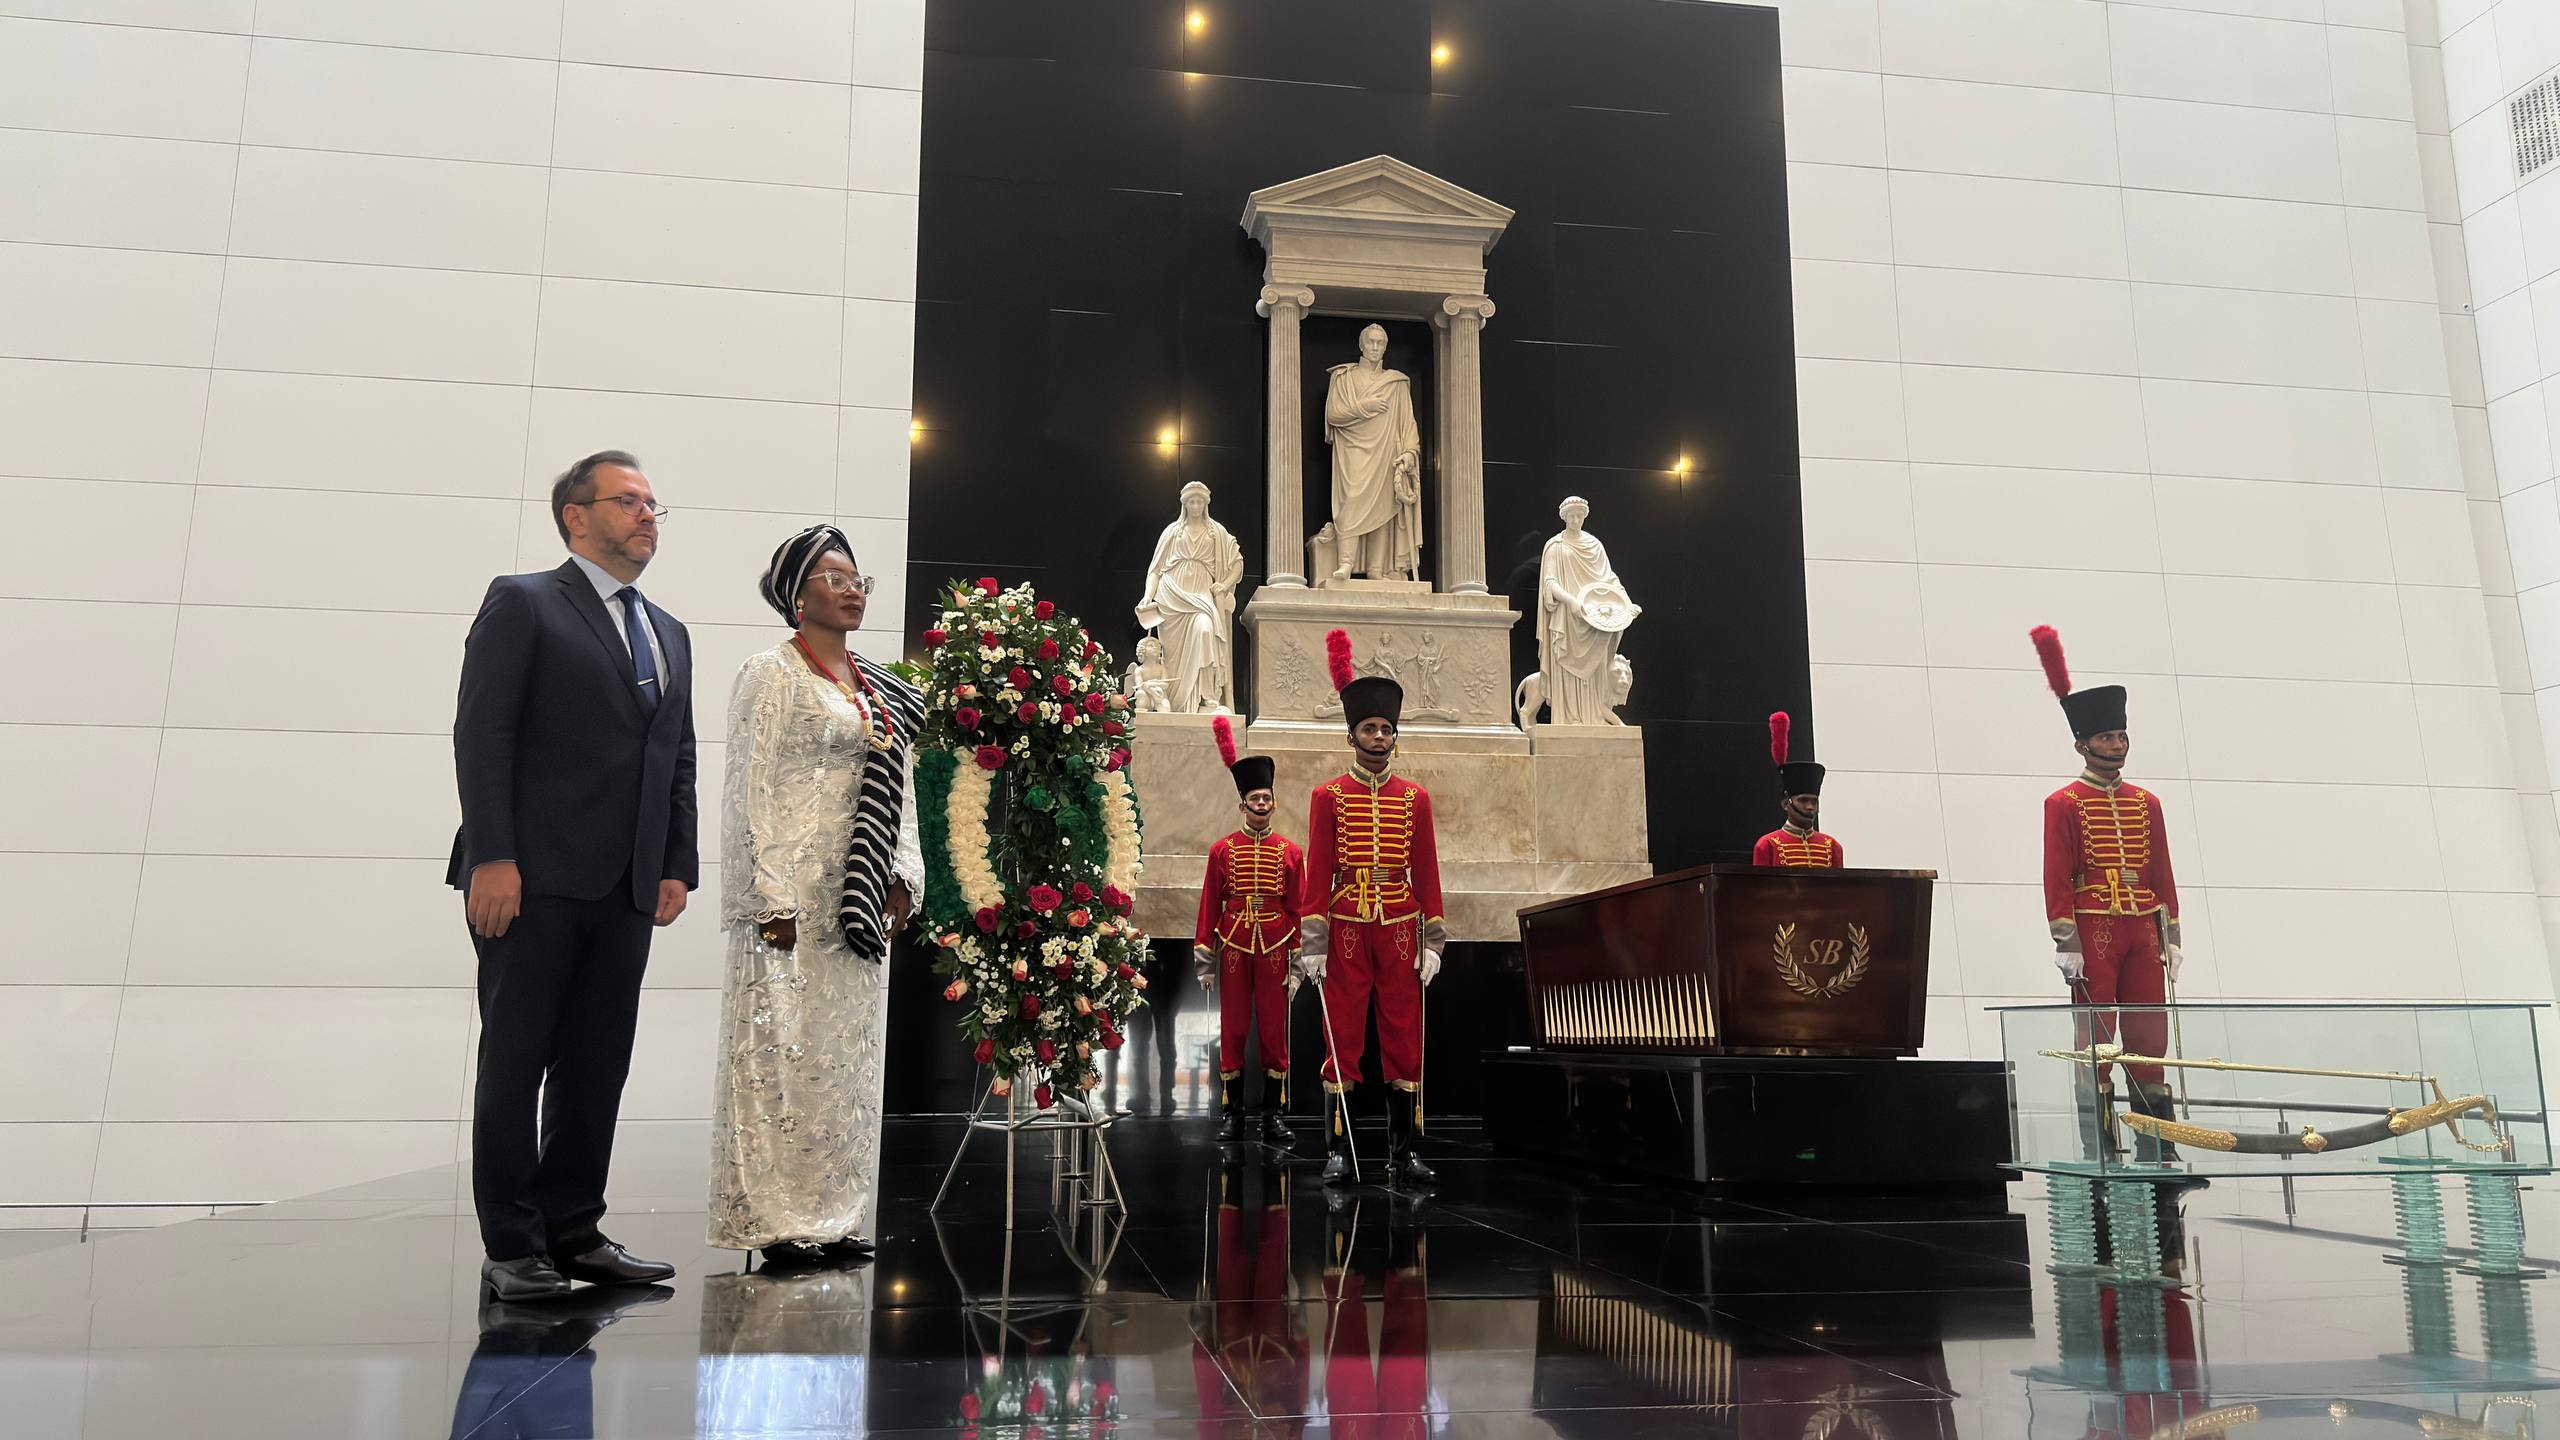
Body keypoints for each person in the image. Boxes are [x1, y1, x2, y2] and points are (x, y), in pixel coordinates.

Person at [451, 449, 691, 1303]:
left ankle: (574, 1232)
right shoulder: (523, 601)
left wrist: (675, 863)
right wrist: (493, 856)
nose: (647, 515)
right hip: (530, 878)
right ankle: (513, 1247)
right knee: (517, 1063)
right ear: (575, 517)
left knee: (596, 1066)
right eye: (628, 502)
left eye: (654, 504)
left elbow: (676, 755)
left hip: (627, 886)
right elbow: (484, 734)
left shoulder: (669, 631)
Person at [709, 525, 927, 1270]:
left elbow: (901, 789)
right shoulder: (770, 674)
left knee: (844, 1061)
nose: (853, 589)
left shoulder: (878, 687)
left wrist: (902, 872)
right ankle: (776, 1220)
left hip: (856, 896)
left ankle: (833, 1217)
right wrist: (766, 895)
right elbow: (749, 786)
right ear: (797, 596)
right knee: (779, 1054)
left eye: (858, 578)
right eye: (835, 578)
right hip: (791, 897)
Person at [1297, 630, 1444, 1187]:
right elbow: (1318, 871)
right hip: (1345, 929)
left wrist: (1433, 940)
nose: (1378, 736)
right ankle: (1340, 1149)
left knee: (1404, 1037)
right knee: (1342, 1037)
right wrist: (1313, 943)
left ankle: (1404, 1152)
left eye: (1385, 728)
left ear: (1394, 736)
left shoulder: (1415, 798)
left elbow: (1426, 871)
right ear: (1352, 735)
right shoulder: (1328, 797)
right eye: (1369, 728)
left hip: (1401, 927)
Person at [2031, 625, 2184, 1162]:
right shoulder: (2063, 804)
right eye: (2106, 738)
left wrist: (2172, 934)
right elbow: (2056, 876)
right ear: (2083, 744)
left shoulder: (2148, 803)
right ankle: (2099, 1149)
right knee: (2095, 1041)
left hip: (2143, 929)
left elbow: (2162, 872)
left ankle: (2157, 1147)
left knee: (2150, 1040)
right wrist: (2064, 940)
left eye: (2121, 736)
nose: (2117, 745)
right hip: (2092, 928)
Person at [1195, 714, 1306, 1146]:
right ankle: (1233, 1113)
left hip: (1276, 945)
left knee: (1275, 1033)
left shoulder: (1291, 852)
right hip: (1235, 944)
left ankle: (1273, 1115)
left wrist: (1297, 963)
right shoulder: (1221, 850)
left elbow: (1297, 907)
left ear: (1273, 803)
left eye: (1266, 798)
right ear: (1242, 805)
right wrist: (1205, 961)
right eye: (1254, 798)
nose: (1261, 804)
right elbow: (1210, 904)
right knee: (1235, 1028)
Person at [1323, 324, 1424, 584]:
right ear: (1361, 345)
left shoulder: (1397, 383)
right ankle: (1345, 563)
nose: (1375, 347)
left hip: (1386, 452)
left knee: (1384, 507)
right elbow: (1333, 414)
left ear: (1386, 347)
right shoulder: (1344, 377)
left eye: (1380, 343)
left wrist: (1410, 452)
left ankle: (1376, 569)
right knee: (1351, 501)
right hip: (1353, 452)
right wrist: (1363, 406)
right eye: (1371, 342)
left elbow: (1408, 422)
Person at [1137, 480, 1244, 712]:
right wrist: (1147, 597)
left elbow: (1237, 563)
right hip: (1171, 597)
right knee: (1172, 657)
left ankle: (1206, 696)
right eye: (1191, 502)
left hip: (1201, 598)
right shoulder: (1172, 532)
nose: (1195, 506)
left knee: (1205, 630)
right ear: (1185, 505)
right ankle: (1174, 701)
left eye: (1199, 502)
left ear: (1206, 504)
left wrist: (1224, 585)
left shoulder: (1217, 532)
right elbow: (1155, 569)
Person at [1534, 496, 1641, 725]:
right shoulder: (1555, 546)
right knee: (1567, 667)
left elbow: (1610, 580)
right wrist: (1571, 601)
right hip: (1568, 616)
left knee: (1595, 673)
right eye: (1571, 516)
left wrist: (1627, 603)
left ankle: (1593, 719)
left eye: (1579, 516)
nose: (1575, 520)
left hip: (1594, 620)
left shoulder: (1595, 545)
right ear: (1564, 518)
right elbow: (1550, 583)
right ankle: (1569, 718)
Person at [1752, 712, 1843, 868]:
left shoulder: (1833, 846)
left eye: (1814, 801)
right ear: (1786, 804)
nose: (1810, 807)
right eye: (1803, 800)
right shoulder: (1767, 844)